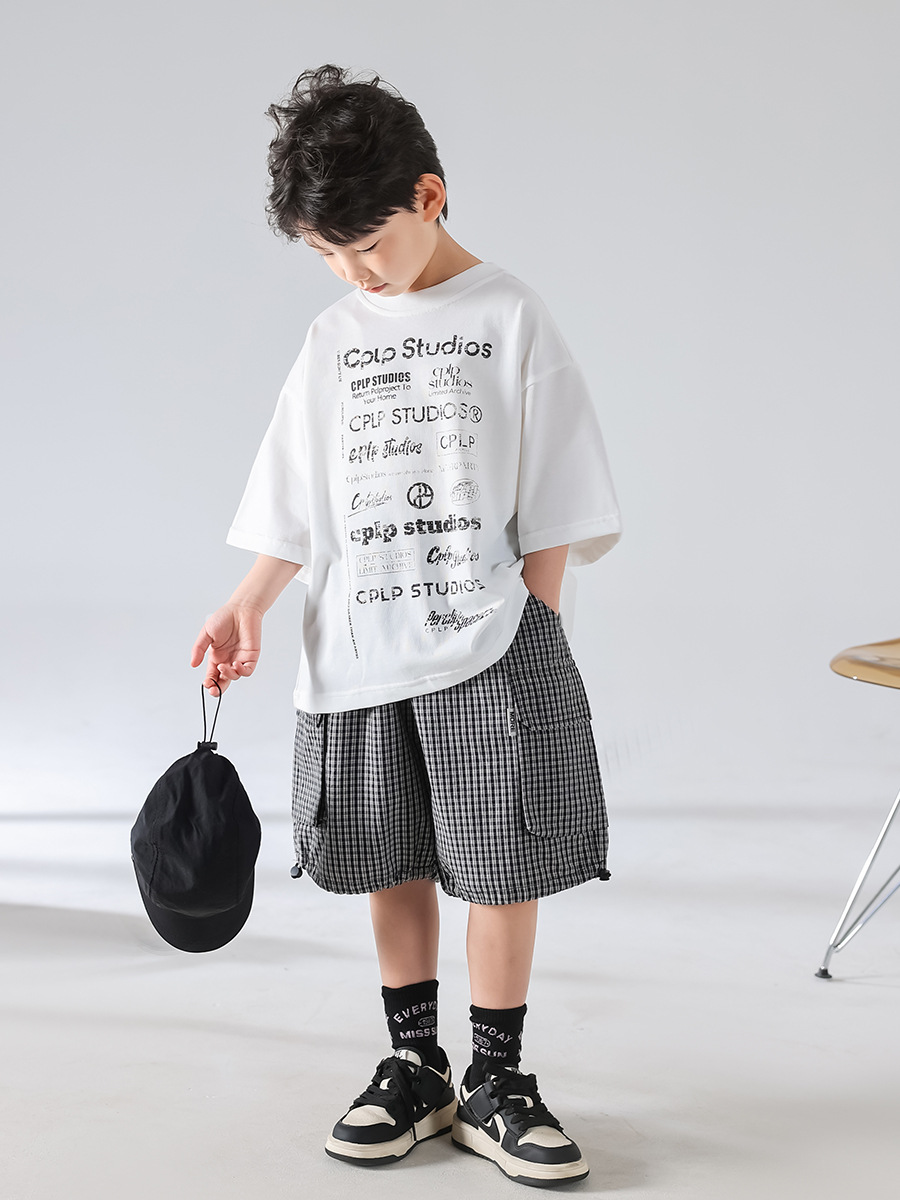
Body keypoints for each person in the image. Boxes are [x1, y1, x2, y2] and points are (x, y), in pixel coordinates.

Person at [191, 63, 622, 1189]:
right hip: (361, 643)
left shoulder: (510, 316)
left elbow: (559, 489)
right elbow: (300, 496)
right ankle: (416, 1064)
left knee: (502, 857)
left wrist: (535, 620)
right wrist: (248, 602)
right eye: (326, 255)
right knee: (390, 852)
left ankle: (498, 1079)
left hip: (491, 642)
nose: (351, 272)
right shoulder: (334, 336)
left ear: (428, 196)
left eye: (366, 246)